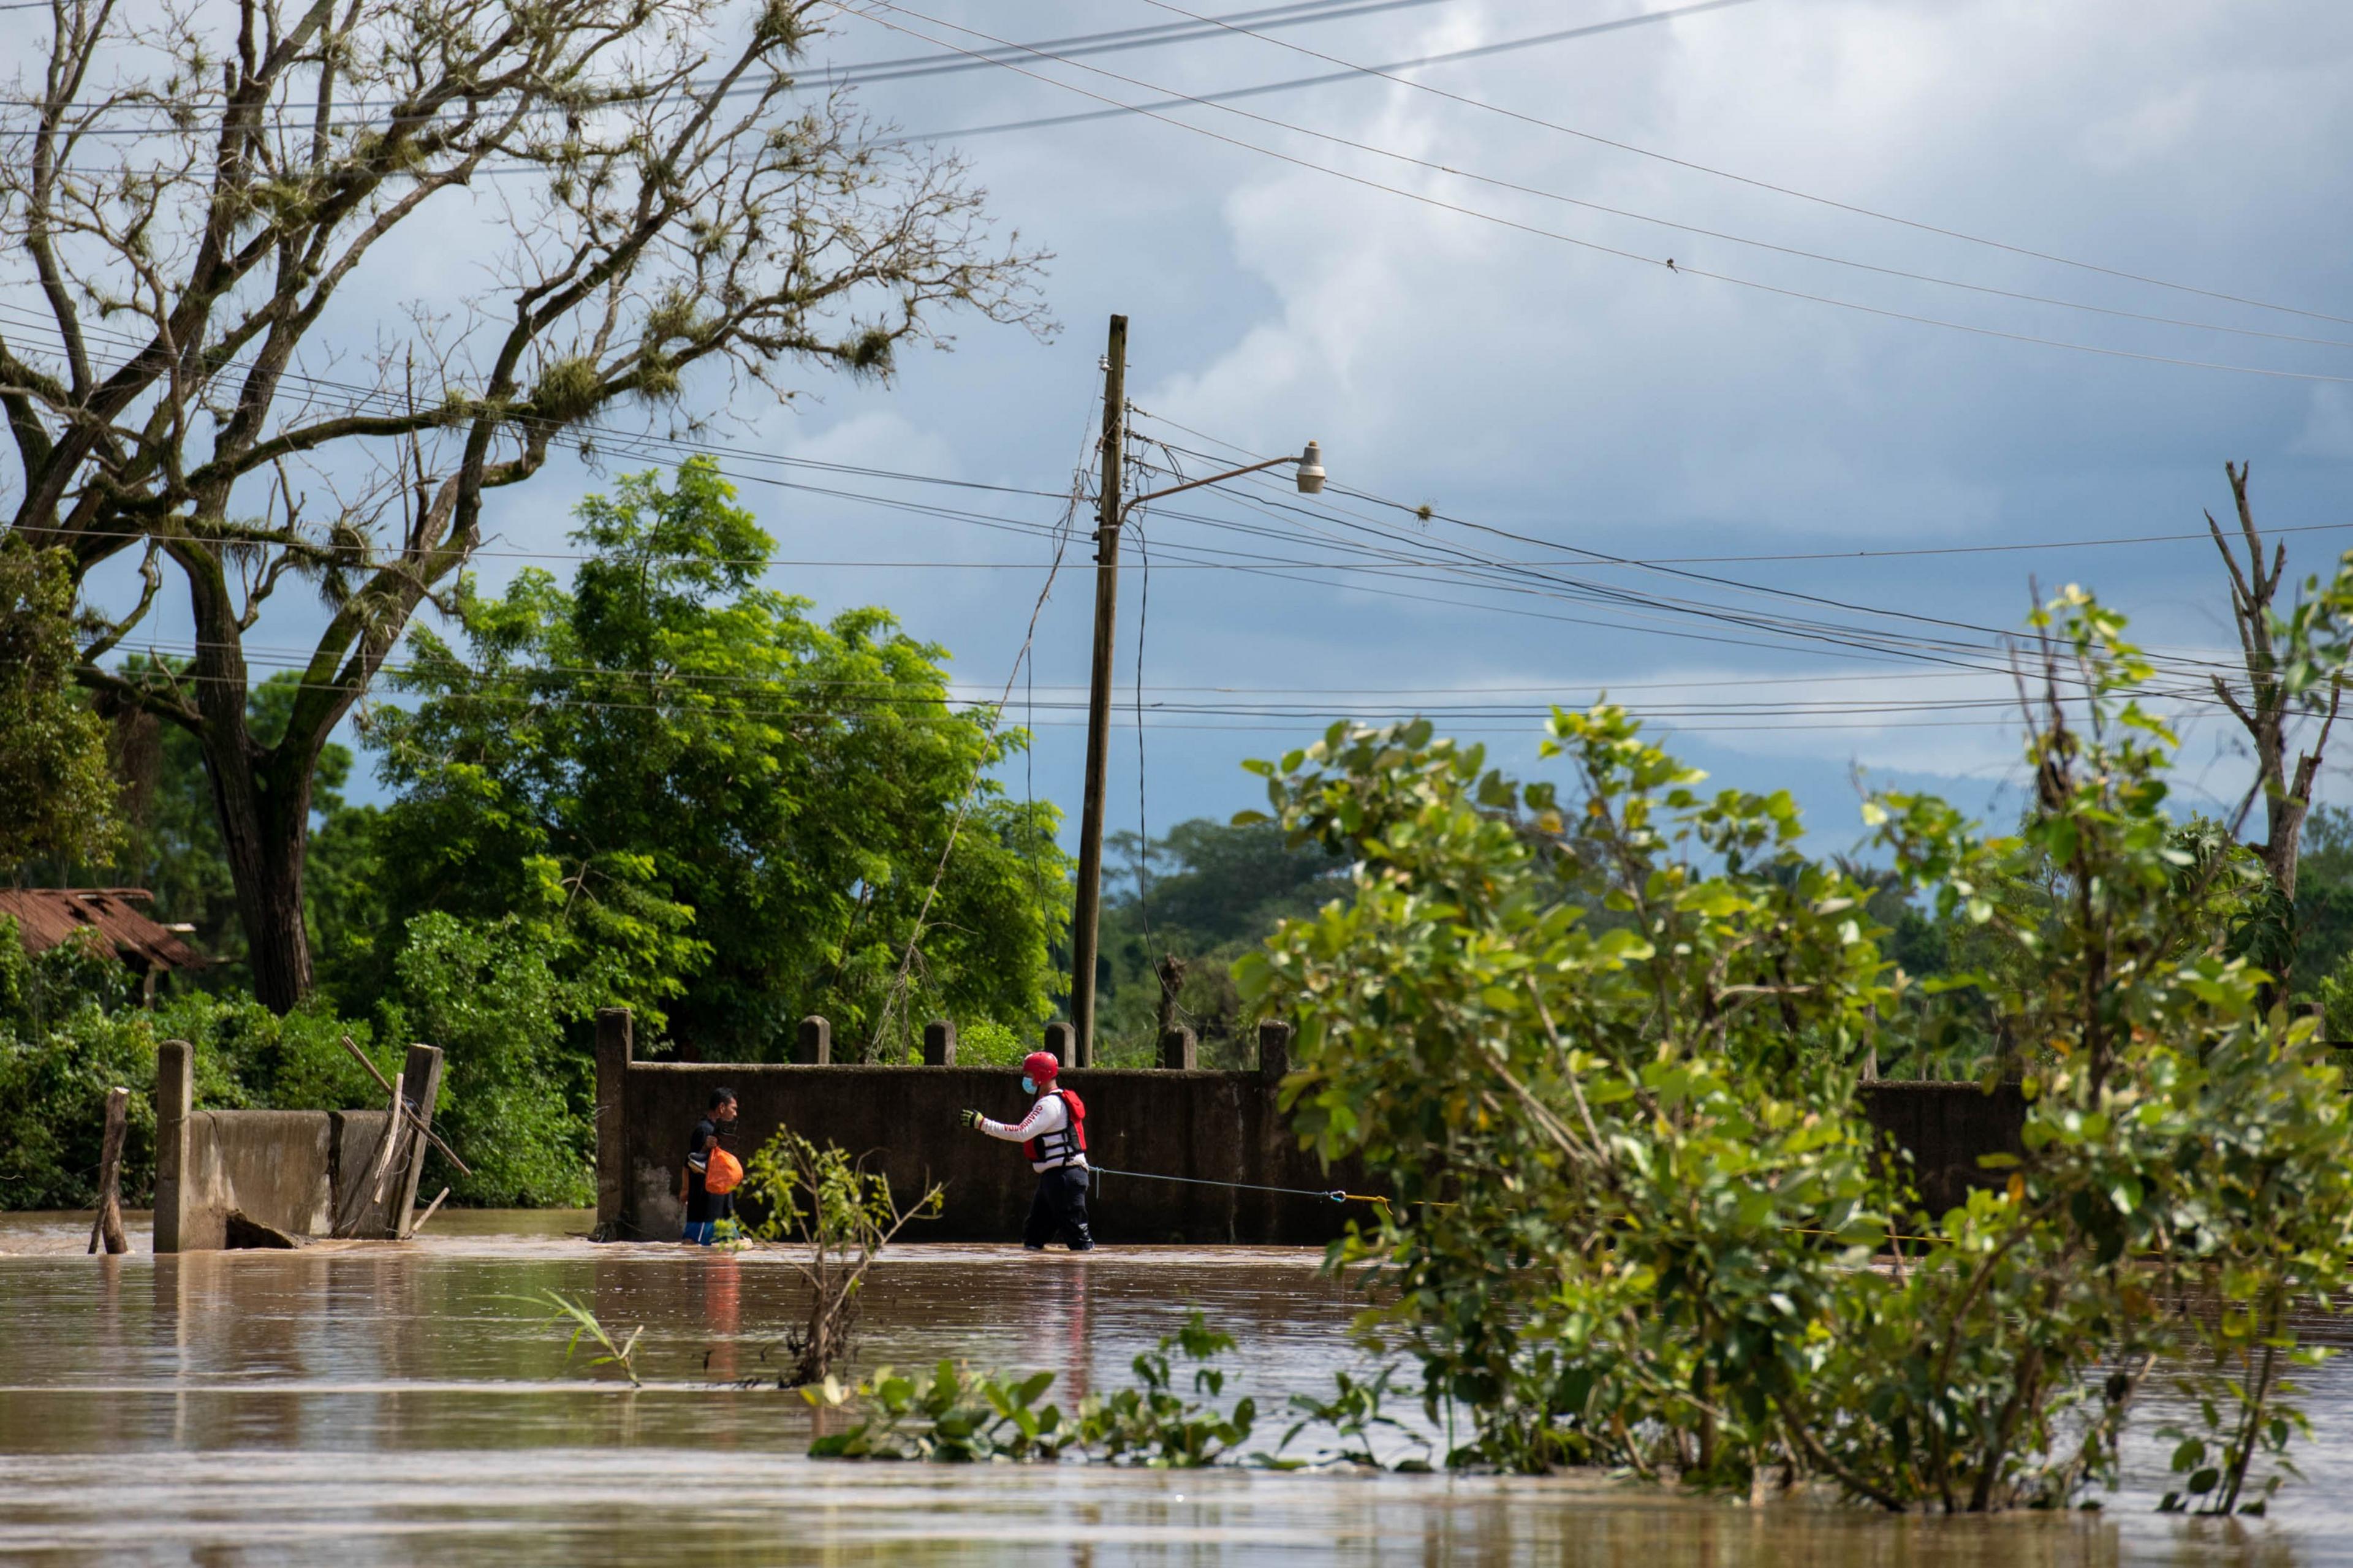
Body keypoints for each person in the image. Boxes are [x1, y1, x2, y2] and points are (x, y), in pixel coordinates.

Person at [960, 1052, 1094, 1251]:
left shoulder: (1049, 1104)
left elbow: (1022, 1132)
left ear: (1041, 1076)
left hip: (1064, 1179)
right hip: (1054, 1178)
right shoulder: (1052, 1101)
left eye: (1029, 1075)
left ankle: (1084, 1280)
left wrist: (982, 1124)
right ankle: (1036, 1280)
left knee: (1079, 1240)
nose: (1026, 1080)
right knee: (1033, 1238)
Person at [680, 1087, 738, 1246]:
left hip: (722, 1208)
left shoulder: (717, 1132)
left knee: (732, 1252)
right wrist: (685, 1190)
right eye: (733, 1109)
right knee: (692, 1246)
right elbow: (690, 1163)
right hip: (705, 1210)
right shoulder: (703, 1130)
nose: (735, 1114)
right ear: (721, 1108)